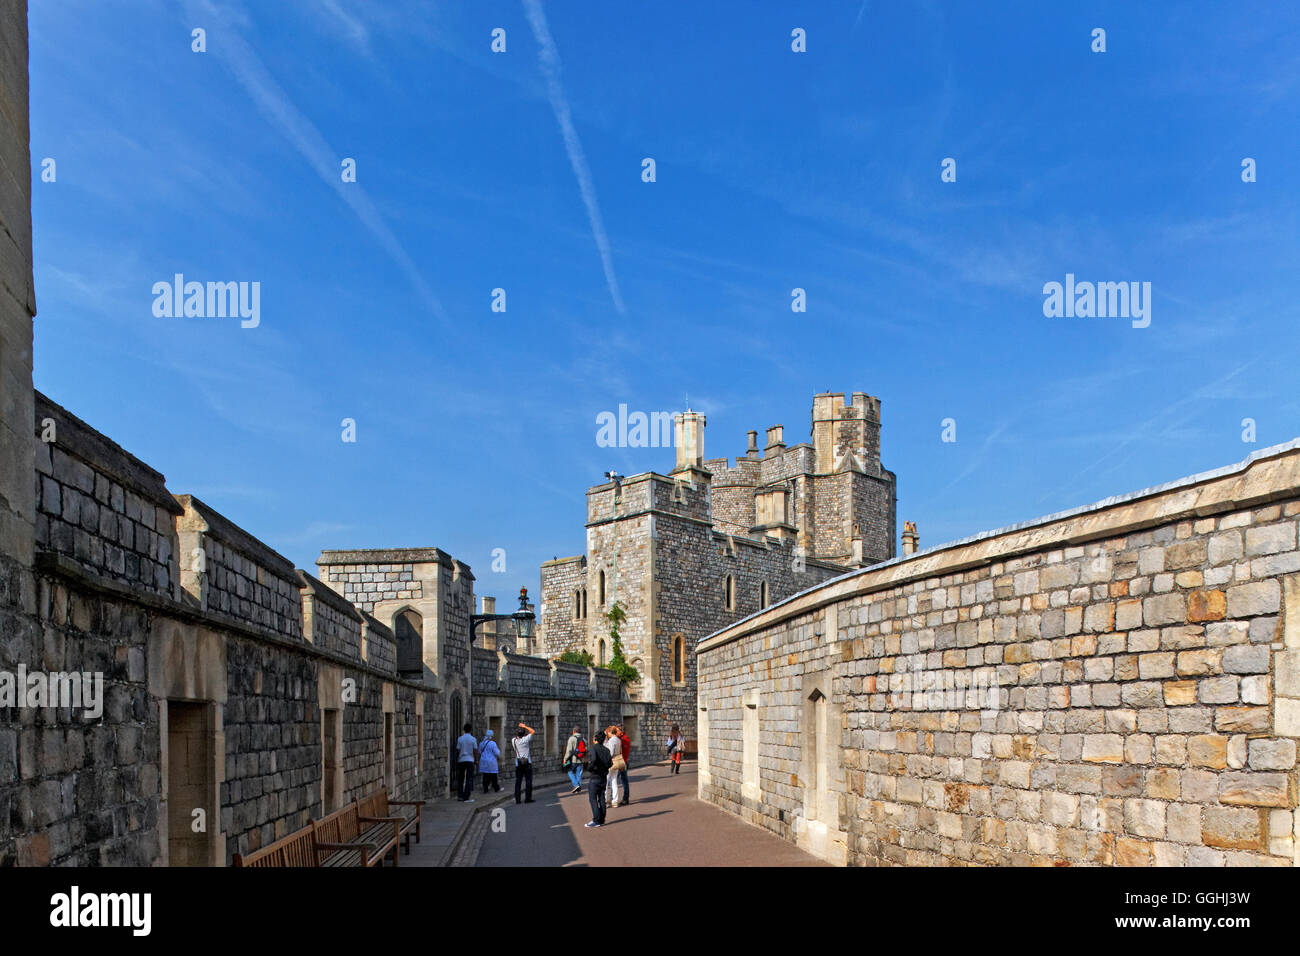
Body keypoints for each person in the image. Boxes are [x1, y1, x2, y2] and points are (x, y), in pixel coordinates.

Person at [584, 727, 613, 827]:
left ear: (595, 739)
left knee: (593, 799)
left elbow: (594, 759)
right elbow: (610, 763)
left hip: (595, 776)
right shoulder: (606, 750)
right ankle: (602, 819)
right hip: (603, 776)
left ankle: (596, 820)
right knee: (601, 798)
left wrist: (590, 768)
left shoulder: (593, 748)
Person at [512, 722, 536, 804]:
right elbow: (533, 731)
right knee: (528, 781)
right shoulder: (525, 740)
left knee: (518, 781)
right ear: (524, 734)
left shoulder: (513, 740)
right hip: (527, 762)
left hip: (518, 762)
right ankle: (527, 798)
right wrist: (524, 726)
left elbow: (518, 737)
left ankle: (517, 799)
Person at [454, 722, 477, 803]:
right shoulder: (473, 739)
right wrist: (476, 760)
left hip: (461, 760)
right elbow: (475, 750)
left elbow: (458, 750)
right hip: (470, 760)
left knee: (460, 778)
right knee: (469, 778)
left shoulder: (460, 739)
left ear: (464, 730)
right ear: (471, 730)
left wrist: (458, 758)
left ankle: (460, 795)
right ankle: (466, 796)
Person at [562, 726, 586, 794]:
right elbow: (585, 750)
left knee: (570, 772)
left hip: (573, 760)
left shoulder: (571, 739)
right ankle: (579, 788)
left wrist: (565, 759)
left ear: (573, 731)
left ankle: (576, 785)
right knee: (579, 774)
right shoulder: (584, 739)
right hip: (581, 760)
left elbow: (569, 750)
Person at [606, 725, 625, 807]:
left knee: (606, 782)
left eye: (608, 732)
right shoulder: (618, 740)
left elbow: (610, 753)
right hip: (617, 761)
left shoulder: (611, 741)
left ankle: (606, 800)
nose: (607, 734)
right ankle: (615, 800)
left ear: (610, 732)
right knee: (614, 781)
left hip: (611, 762)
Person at [479, 729, 502, 793]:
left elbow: (480, 751)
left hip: (483, 761)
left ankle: (485, 789)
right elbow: (497, 753)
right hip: (491, 761)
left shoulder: (481, 743)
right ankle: (496, 788)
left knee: (485, 775)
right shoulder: (493, 743)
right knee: (493, 775)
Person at [617, 725, 632, 804]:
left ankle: (616, 799)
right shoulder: (625, 738)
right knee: (624, 780)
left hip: (621, 762)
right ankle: (625, 798)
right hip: (624, 761)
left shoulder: (622, 739)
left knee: (614, 780)